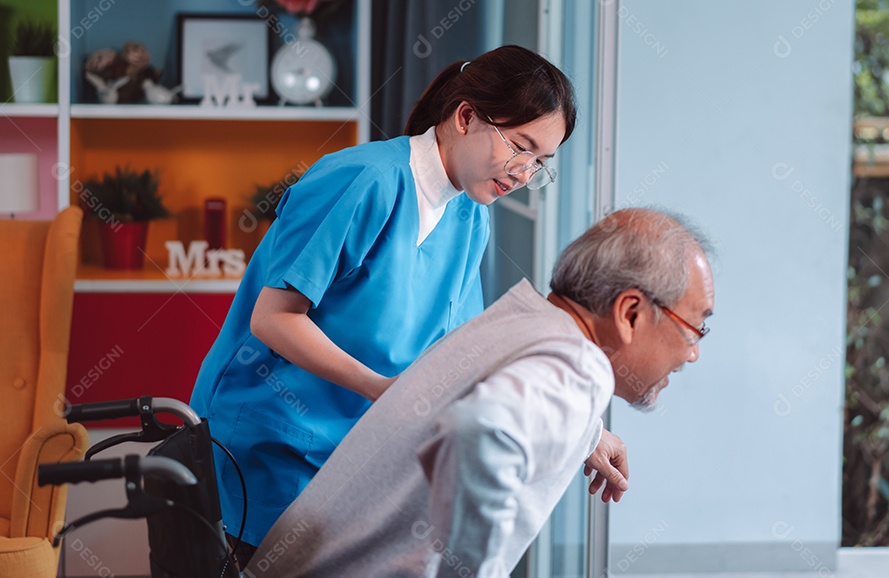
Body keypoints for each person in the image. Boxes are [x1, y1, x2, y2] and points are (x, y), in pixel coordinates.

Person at [188, 45, 631, 567]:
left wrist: (584, 429)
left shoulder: (469, 214)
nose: (524, 173)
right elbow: (273, 318)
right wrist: (385, 391)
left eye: (540, 162)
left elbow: (464, 354)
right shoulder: (363, 180)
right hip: (267, 446)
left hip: (353, 455)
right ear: (466, 117)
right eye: (520, 147)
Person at [244, 207, 715, 578]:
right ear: (630, 313)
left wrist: (586, 433)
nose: (692, 354)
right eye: (695, 328)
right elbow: (478, 430)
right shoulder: (580, 367)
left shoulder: (521, 319)